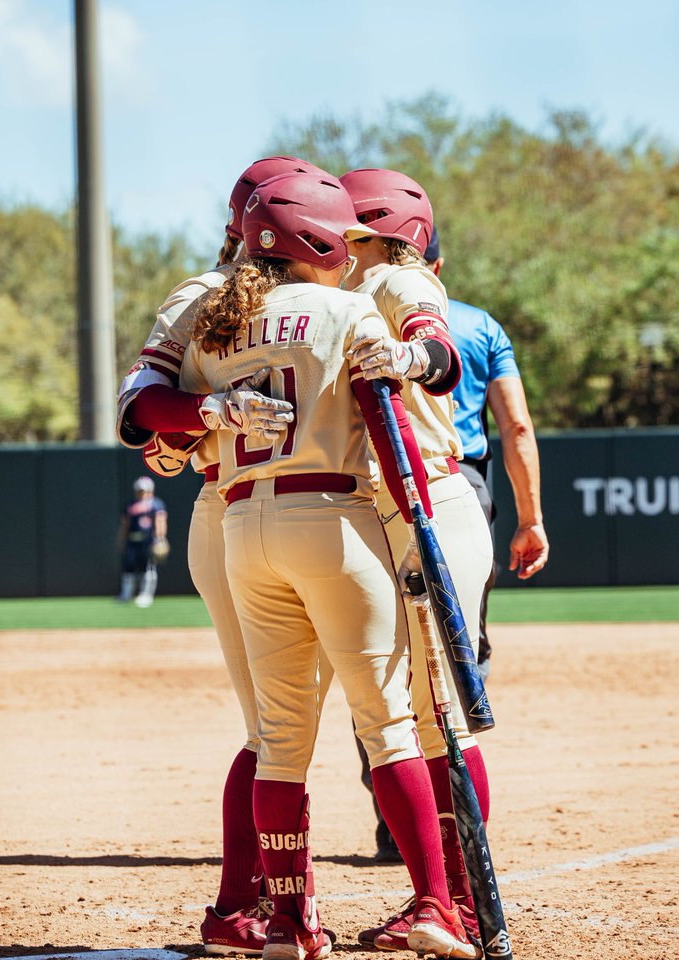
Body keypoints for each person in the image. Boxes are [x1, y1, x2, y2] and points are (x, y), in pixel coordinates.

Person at [133, 170, 478, 960]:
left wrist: (200, 418)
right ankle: (435, 901)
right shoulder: (351, 307)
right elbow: (402, 411)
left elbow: (149, 422)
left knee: (279, 735)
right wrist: (415, 529)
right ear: (322, 239)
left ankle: (286, 921)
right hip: (336, 518)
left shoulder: (218, 319)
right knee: (388, 721)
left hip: (242, 523)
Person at [117, 156, 330, 955]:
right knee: (273, 726)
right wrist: (205, 416)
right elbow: (144, 426)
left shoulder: (325, 297)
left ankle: (270, 904)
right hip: (234, 503)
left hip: (334, 512)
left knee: (317, 719)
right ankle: (246, 906)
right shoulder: (202, 296)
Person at [339, 168, 493, 949]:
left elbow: (435, 344)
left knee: (444, 725)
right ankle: (439, 899)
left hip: (431, 503)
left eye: (350, 231)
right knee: (404, 720)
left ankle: (459, 901)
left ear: (385, 232)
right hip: (388, 509)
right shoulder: (346, 294)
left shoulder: (397, 278)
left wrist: (414, 359)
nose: (337, 241)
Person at [424, 226, 550, 676]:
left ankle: (394, 747)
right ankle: (461, 740)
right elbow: (516, 426)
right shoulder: (481, 326)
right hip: (461, 482)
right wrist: (530, 520)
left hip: (378, 478)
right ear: (437, 268)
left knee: (386, 643)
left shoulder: (360, 316)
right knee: (465, 639)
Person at [116, 476, 168, 607]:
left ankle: (146, 595)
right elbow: (125, 525)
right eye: (140, 490)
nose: (142, 493)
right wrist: (121, 540)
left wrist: (160, 538)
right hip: (132, 540)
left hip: (148, 540)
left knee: (148, 567)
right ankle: (126, 594)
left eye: (145, 490)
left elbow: (160, 521)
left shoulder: (156, 504)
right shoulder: (131, 505)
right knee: (129, 567)